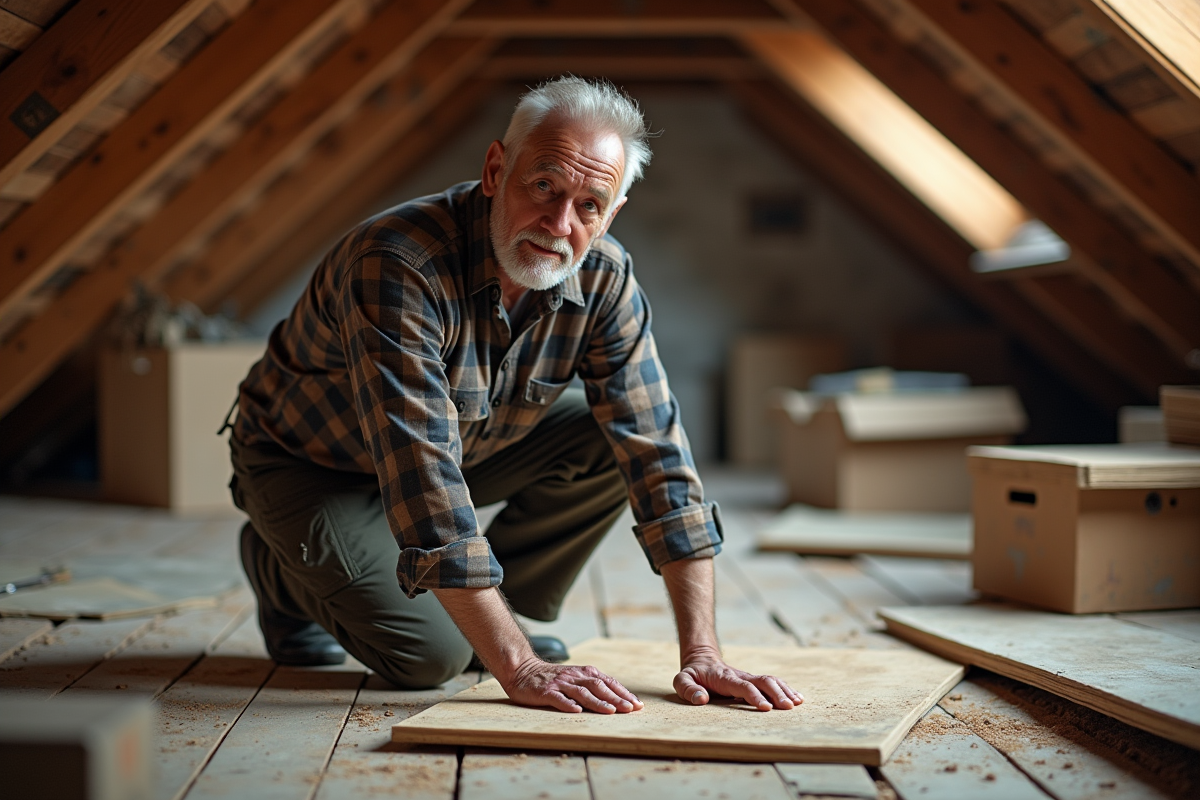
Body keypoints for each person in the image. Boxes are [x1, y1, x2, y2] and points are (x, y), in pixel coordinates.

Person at [228, 76, 802, 715]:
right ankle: (280, 568)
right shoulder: (397, 261)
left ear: (611, 215)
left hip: (462, 445)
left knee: (605, 437)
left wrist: (704, 653)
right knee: (429, 659)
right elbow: (421, 475)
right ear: (496, 170)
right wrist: (521, 667)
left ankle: (502, 616)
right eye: (544, 186)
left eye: (589, 205)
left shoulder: (606, 279)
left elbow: (657, 454)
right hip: (313, 465)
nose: (559, 224)